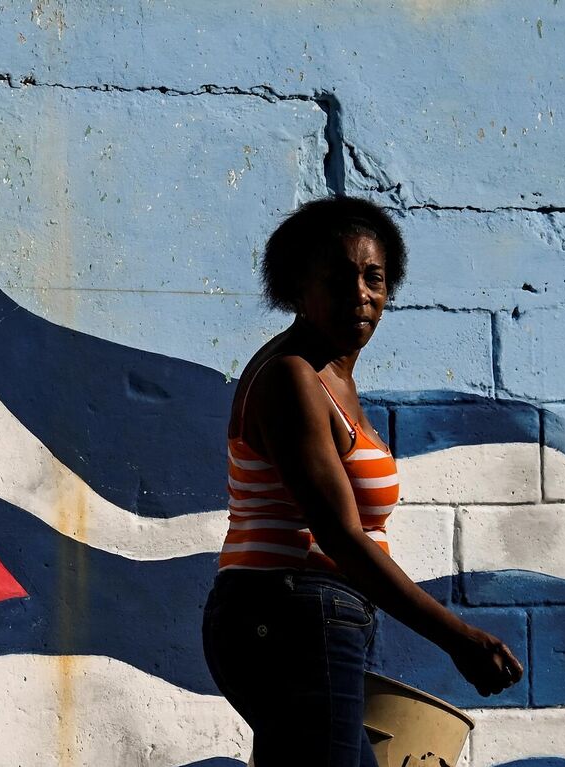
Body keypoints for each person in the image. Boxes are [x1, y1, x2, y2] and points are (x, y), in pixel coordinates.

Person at [202, 197, 523, 766]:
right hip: (289, 616)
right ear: (298, 288)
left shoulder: (329, 377)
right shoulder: (292, 378)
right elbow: (339, 534)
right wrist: (457, 637)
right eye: (339, 275)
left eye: (374, 277)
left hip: (305, 618)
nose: (361, 293)